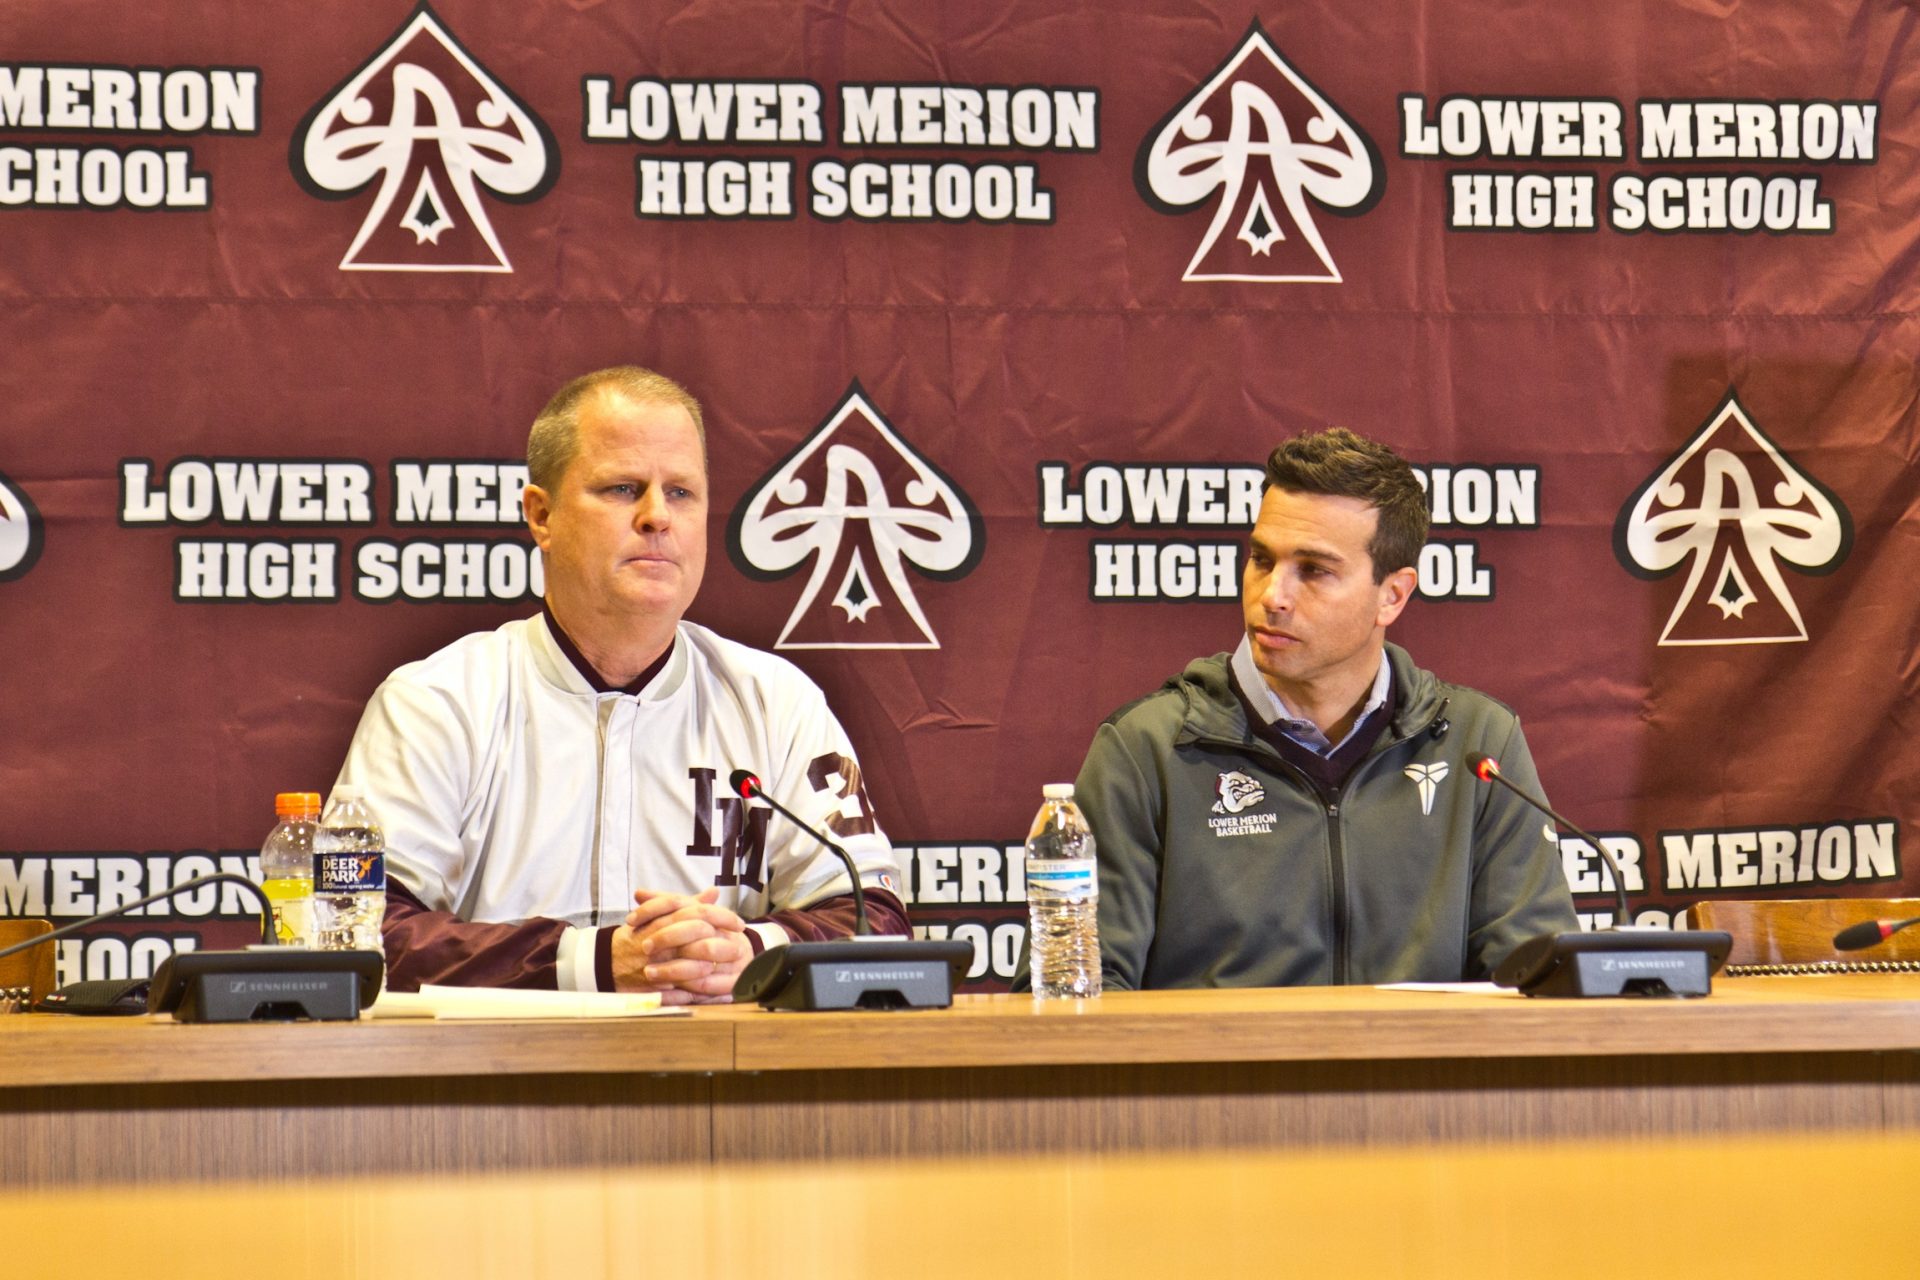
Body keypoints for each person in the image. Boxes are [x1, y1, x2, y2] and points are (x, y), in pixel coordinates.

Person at [331, 367, 908, 1001]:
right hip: (492, 1087)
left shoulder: (777, 702)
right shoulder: (437, 703)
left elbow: (873, 919)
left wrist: (744, 950)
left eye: (682, 493)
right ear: (541, 515)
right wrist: (593, 962)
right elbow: (351, 931)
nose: (657, 516)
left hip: (722, 1085)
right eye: (623, 488)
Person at [1079, 428, 1576, 989]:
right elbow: (1077, 993)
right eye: (1261, 560)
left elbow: (1539, 982)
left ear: (1392, 595)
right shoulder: (1146, 748)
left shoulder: (1479, 742)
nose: (1272, 595)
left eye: (1313, 570)